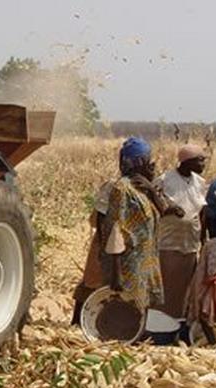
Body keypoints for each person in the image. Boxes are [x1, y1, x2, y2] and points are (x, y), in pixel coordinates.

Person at [71, 137, 165, 325]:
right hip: (117, 252)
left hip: (140, 258)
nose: (152, 165)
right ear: (139, 162)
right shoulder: (120, 189)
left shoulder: (144, 187)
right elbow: (110, 227)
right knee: (99, 289)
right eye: (148, 160)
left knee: (133, 302)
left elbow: (163, 210)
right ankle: (84, 322)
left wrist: (152, 190)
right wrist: (113, 265)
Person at [155, 144, 207, 321]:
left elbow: (201, 211)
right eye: (200, 160)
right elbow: (154, 206)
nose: (203, 164)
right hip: (169, 242)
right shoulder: (165, 180)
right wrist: (169, 210)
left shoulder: (199, 182)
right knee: (167, 285)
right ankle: (161, 321)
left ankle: (180, 321)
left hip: (190, 243)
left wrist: (202, 236)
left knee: (185, 287)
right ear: (186, 162)